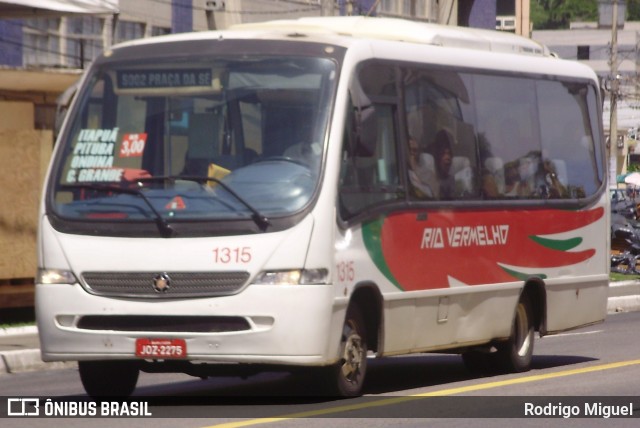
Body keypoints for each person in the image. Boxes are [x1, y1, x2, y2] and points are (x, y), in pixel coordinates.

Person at [430, 129, 456, 199]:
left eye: (449, 153)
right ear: (436, 156)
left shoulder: (454, 181)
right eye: (443, 153)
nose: (448, 157)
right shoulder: (427, 179)